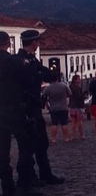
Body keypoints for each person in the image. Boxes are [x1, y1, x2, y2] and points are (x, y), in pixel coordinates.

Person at [17, 29, 65, 186]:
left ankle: (45, 174)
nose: (39, 45)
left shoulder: (32, 60)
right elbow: (34, 78)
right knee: (29, 145)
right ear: (33, 43)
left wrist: (53, 74)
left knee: (41, 143)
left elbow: (44, 73)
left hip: (35, 107)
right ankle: (30, 178)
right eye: (38, 42)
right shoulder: (20, 60)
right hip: (26, 108)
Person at [0, 31, 42, 196]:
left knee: (2, 152)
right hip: (16, 109)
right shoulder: (16, 63)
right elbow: (29, 81)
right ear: (8, 44)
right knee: (26, 146)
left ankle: (7, 186)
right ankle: (23, 183)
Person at [43, 71, 72, 143]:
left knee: (54, 124)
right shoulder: (63, 85)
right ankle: (66, 137)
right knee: (64, 123)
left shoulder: (48, 88)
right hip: (63, 107)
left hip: (53, 108)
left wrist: (47, 105)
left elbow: (44, 97)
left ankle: (53, 139)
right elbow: (70, 93)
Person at [69, 75, 86, 140]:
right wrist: (83, 95)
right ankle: (81, 134)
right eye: (78, 79)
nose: (80, 80)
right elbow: (79, 96)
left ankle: (73, 135)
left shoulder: (71, 87)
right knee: (79, 120)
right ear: (75, 80)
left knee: (73, 121)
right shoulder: (77, 88)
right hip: (78, 105)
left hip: (72, 105)